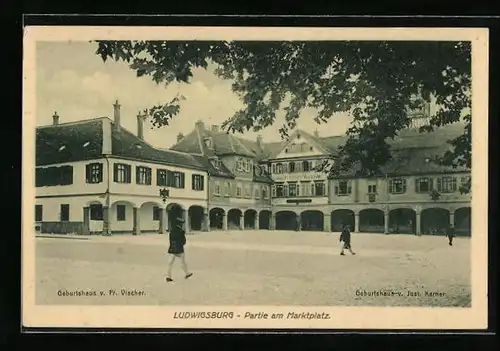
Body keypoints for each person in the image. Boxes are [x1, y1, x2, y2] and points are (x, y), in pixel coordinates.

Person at [166, 215, 193, 282]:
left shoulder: (172, 230)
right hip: (179, 249)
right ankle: (187, 273)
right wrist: (181, 245)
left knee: (170, 263)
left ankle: (168, 276)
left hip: (172, 248)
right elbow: (183, 241)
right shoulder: (181, 231)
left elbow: (170, 240)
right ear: (180, 224)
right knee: (183, 262)